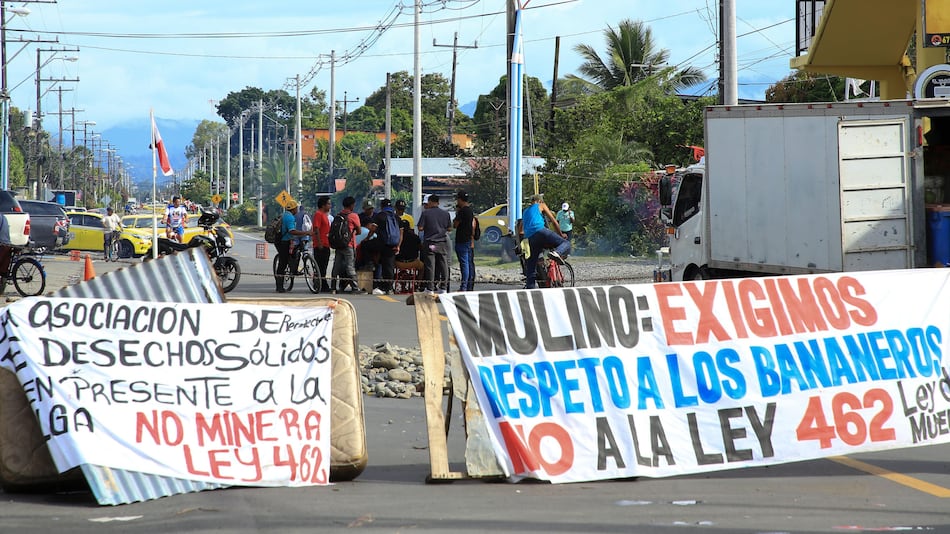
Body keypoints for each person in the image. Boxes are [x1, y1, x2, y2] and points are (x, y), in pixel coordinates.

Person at [516, 193, 571, 290]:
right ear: (539, 201)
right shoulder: (541, 205)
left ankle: (530, 289)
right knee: (565, 243)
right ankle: (556, 253)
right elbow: (553, 221)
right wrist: (561, 234)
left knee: (531, 266)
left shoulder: (525, 211)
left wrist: (522, 240)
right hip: (541, 232)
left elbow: (520, 230)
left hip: (531, 238)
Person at [366, 198, 402, 295]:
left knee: (367, 248)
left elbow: (373, 229)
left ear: (382, 206)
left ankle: (379, 283)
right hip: (393, 245)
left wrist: (367, 238)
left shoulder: (380, 215)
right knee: (389, 266)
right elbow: (401, 233)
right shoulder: (396, 217)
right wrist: (398, 245)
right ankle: (389, 288)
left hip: (381, 244)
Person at [417, 194, 452, 293]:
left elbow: (420, 228)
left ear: (430, 202)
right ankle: (443, 287)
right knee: (443, 264)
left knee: (430, 265)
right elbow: (449, 228)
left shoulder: (426, 213)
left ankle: (430, 288)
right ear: (438, 202)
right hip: (442, 243)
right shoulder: (446, 214)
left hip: (431, 243)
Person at [274, 200, 310, 293]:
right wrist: (305, 233)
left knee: (294, 255)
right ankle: (279, 286)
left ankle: (293, 269)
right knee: (283, 263)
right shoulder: (289, 218)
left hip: (287, 240)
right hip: (283, 242)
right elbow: (292, 231)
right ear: (294, 209)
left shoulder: (285, 214)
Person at [331, 196, 364, 294]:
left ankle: (333, 288)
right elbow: (359, 231)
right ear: (351, 205)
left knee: (336, 267)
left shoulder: (338, 215)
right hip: (349, 245)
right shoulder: (353, 216)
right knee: (350, 266)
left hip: (338, 245)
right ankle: (355, 288)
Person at [452, 191, 476, 291]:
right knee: (469, 263)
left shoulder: (462, 211)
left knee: (464, 264)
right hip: (468, 239)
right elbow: (473, 226)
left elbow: (455, 225)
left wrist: (456, 216)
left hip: (462, 240)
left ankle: (464, 286)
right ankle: (469, 286)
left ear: (460, 199)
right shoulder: (470, 211)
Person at [312, 196, 332, 292]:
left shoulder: (325, 215)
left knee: (324, 266)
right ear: (323, 205)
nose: (330, 206)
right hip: (321, 245)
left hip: (326, 244)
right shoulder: (318, 214)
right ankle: (321, 284)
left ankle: (321, 284)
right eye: (328, 204)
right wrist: (319, 243)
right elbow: (316, 229)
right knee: (320, 266)